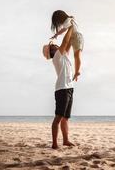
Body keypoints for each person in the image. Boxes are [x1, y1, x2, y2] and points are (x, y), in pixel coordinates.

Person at [43, 10, 84, 149]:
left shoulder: (63, 54)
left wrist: (70, 29)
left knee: (65, 118)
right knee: (58, 117)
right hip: (62, 89)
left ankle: (65, 140)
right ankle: (54, 143)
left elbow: (69, 44)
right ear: (52, 51)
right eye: (52, 45)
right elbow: (66, 40)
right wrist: (71, 27)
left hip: (69, 87)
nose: (55, 44)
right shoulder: (57, 56)